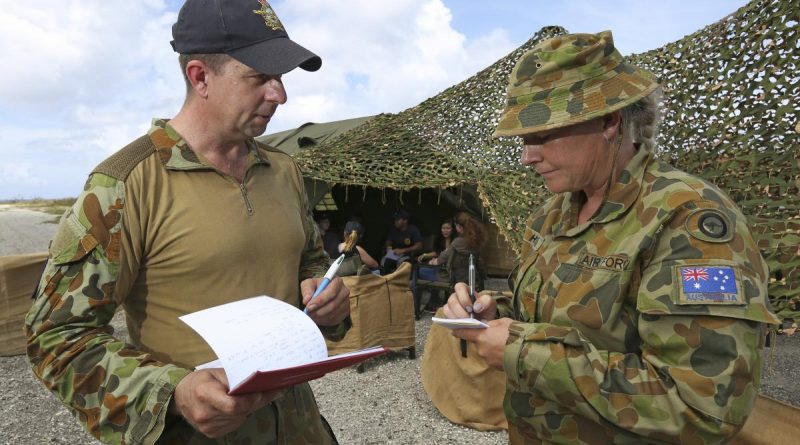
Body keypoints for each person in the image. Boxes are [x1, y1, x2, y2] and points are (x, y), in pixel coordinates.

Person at [24, 1, 351, 443]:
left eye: (282, 79)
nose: (280, 95)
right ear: (200, 78)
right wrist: (173, 391)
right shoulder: (123, 185)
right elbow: (57, 337)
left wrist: (325, 293)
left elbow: (311, 262)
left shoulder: (285, 171)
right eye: (260, 78)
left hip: (301, 429)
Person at [443, 30, 779, 444]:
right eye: (523, 140)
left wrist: (519, 351)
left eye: (542, 135)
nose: (527, 157)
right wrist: (492, 310)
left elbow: (700, 409)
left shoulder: (685, 219)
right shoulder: (553, 214)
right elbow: (560, 316)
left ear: (608, 121)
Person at [382, 209, 422, 274]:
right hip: (395, 254)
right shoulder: (393, 230)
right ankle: (386, 281)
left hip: (408, 255)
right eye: (395, 219)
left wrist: (403, 250)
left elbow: (419, 245)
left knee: (403, 264)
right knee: (385, 262)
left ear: (405, 221)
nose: (395, 221)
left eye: (398, 220)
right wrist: (389, 250)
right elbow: (388, 242)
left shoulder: (413, 229)